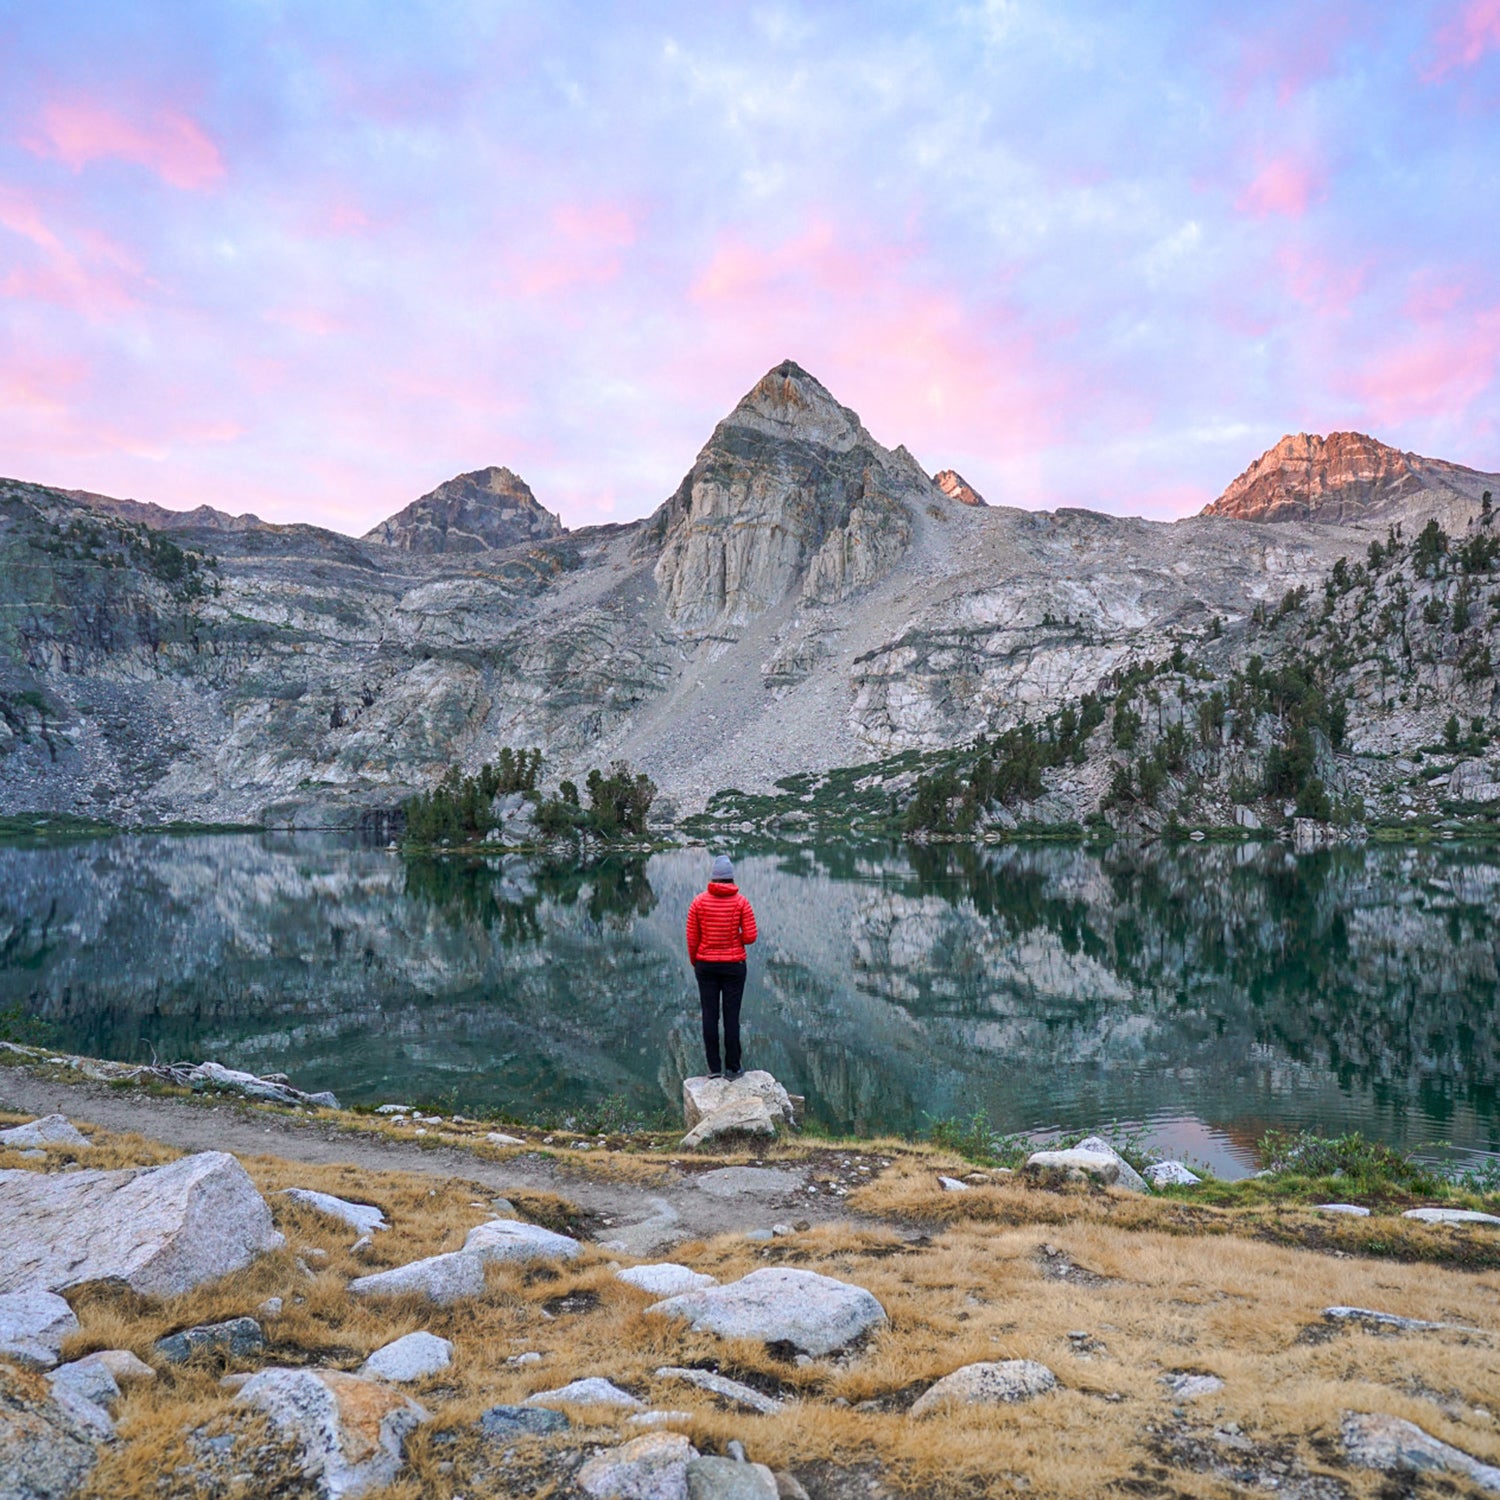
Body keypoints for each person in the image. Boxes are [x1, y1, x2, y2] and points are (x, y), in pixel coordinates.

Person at [685, 853, 757, 1079]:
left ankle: (714, 1069)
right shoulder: (741, 902)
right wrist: (736, 937)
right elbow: (751, 937)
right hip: (734, 966)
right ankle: (733, 1068)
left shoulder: (698, 902)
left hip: (706, 965)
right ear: (731, 879)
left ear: (713, 878)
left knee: (709, 1015)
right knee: (731, 1016)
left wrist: (696, 961)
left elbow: (692, 937)